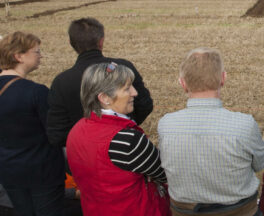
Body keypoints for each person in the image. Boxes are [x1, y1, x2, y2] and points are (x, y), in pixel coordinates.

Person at [158, 48, 264, 216]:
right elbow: (260, 163)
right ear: (223, 79)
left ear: (182, 83)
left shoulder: (166, 124)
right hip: (240, 210)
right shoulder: (244, 125)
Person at [66, 62, 170, 216]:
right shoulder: (127, 140)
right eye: (127, 88)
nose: (134, 93)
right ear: (105, 98)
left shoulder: (77, 130)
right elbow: (166, 172)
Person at [47, 17, 153, 147]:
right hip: (123, 145)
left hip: (81, 155)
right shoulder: (123, 68)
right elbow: (145, 105)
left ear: (71, 43)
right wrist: (127, 124)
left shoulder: (61, 81)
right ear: (101, 42)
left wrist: (83, 142)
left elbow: (57, 131)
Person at [0, 32, 65, 216]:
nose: (40, 55)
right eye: (36, 51)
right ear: (18, 56)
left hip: (8, 171)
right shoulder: (36, 92)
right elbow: (55, 133)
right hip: (42, 173)